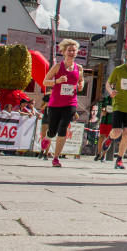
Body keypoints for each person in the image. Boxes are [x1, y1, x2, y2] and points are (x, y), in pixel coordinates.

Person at [40, 39, 85, 167]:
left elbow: (81, 80)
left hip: (71, 102)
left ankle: (55, 158)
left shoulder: (79, 68)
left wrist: (81, 85)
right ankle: (48, 137)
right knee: (53, 131)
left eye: (73, 50)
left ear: (76, 52)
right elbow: (45, 82)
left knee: (63, 129)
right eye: (69, 50)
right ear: (64, 52)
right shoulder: (57, 67)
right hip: (55, 103)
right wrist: (57, 81)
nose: (71, 52)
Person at [94, 96, 113, 161]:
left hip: (111, 122)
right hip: (104, 121)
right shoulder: (106, 98)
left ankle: (104, 155)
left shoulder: (118, 99)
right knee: (101, 137)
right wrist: (103, 110)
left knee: (108, 139)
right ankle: (98, 154)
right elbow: (103, 107)